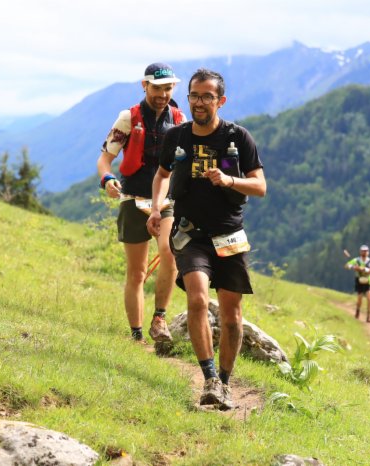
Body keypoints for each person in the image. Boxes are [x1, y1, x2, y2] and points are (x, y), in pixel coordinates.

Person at [147, 68, 266, 410]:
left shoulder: (238, 137)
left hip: (229, 235)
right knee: (197, 300)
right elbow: (162, 174)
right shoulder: (177, 137)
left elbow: (260, 186)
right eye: (194, 96)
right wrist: (156, 208)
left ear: (220, 100)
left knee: (231, 316)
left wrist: (229, 181)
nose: (199, 103)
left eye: (207, 97)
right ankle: (209, 378)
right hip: (190, 234)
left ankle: (225, 382)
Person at [97, 63, 187, 343]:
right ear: (144, 85)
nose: (163, 94)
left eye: (168, 88)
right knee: (137, 272)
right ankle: (136, 335)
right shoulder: (128, 118)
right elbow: (105, 159)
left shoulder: (179, 119)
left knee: (170, 254)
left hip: (166, 201)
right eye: (157, 88)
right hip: (133, 198)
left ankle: (159, 319)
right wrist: (108, 179)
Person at [345, 245, 370, 322]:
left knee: (369, 298)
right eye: (363, 251)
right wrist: (353, 267)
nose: (364, 253)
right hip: (359, 281)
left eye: (366, 251)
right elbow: (346, 265)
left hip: (368, 282)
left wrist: (366, 269)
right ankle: (358, 311)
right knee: (359, 299)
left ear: (368, 252)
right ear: (360, 252)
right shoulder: (356, 260)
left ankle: (369, 316)